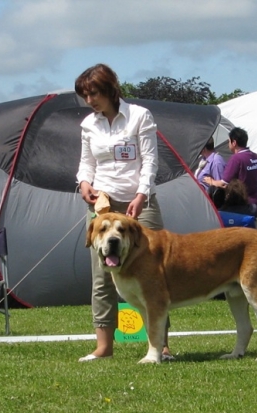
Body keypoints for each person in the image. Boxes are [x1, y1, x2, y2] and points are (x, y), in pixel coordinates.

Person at [75, 63, 172, 362]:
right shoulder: (89, 125)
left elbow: (150, 160)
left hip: (140, 203)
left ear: (110, 89)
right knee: (102, 276)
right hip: (103, 205)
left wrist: (142, 194)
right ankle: (104, 346)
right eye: (85, 95)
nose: (90, 101)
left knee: (154, 274)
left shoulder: (140, 116)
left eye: (94, 93)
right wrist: (84, 182)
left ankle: (162, 346)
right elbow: (86, 162)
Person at [203, 127, 257, 212]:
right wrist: (253, 177)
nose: (228, 144)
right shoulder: (253, 155)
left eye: (229, 141)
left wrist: (211, 181)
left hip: (247, 205)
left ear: (234, 142)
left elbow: (224, 184)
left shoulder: (236, 159)